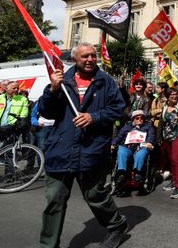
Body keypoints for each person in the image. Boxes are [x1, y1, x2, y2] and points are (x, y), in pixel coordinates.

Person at [38, 42, 127, 248]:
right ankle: (48, 245)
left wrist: (93, 117)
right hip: (61, 149)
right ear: (75, 59)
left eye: (92, 56)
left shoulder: (106, 82)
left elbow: (118, 110)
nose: (89, 60)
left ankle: (116, 225)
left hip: (91, 149)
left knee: (95, 195)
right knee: (54, 199)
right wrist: (52, 90)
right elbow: (46, 112)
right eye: (85, 56)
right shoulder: (61, 80)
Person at [112, 109, 155, 185]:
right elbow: (119, 136)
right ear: (133, 119)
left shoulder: (148, 126)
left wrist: (149, 143)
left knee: (141, 153)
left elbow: (151, 136)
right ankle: (122, 173)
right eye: (137, 118)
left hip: (141, 147)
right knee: (121, 150)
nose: (140, 119)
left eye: (142, 118)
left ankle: (137, 173)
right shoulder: (127, 127)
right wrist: (113, 144)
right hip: (128, 146)